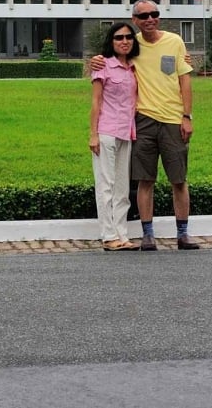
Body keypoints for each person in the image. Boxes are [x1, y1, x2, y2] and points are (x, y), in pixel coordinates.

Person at [89, 0, 198, 250]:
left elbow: (185, 81)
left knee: (178, 179)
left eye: (154, 14)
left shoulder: (174, 41)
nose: (150, 19)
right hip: (142, 121)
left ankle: (183, 233)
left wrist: (187, 116)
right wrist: (96, 59)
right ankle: (147, 234)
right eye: (144, 15)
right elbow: (108, 57)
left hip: (172, 119)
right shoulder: (131, 44)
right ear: (135, 20)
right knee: (144, 179)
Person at [91, 21, 140, 251]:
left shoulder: (134, 67)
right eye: (119, 38)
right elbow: (96, 101)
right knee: (106, 185)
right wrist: (93, 134)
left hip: (126, 133)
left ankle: (122, 233)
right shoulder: (103, 65)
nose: (124, 41)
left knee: (122, 187)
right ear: (111, 41)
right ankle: (108, 235)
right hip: (107, 132)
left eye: (128, 37)